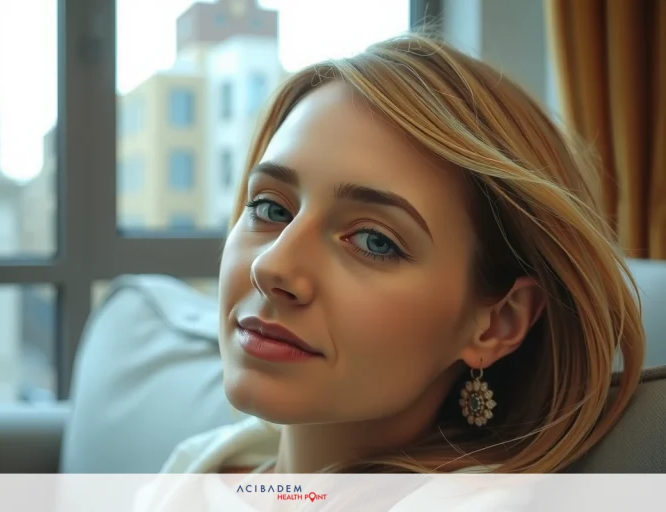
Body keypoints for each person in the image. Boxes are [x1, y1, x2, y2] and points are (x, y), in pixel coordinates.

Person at [149, 31, 644, 508]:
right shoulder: (201, 466)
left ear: (500, 322)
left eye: (374, 241)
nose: (272, 265)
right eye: (272, 209)